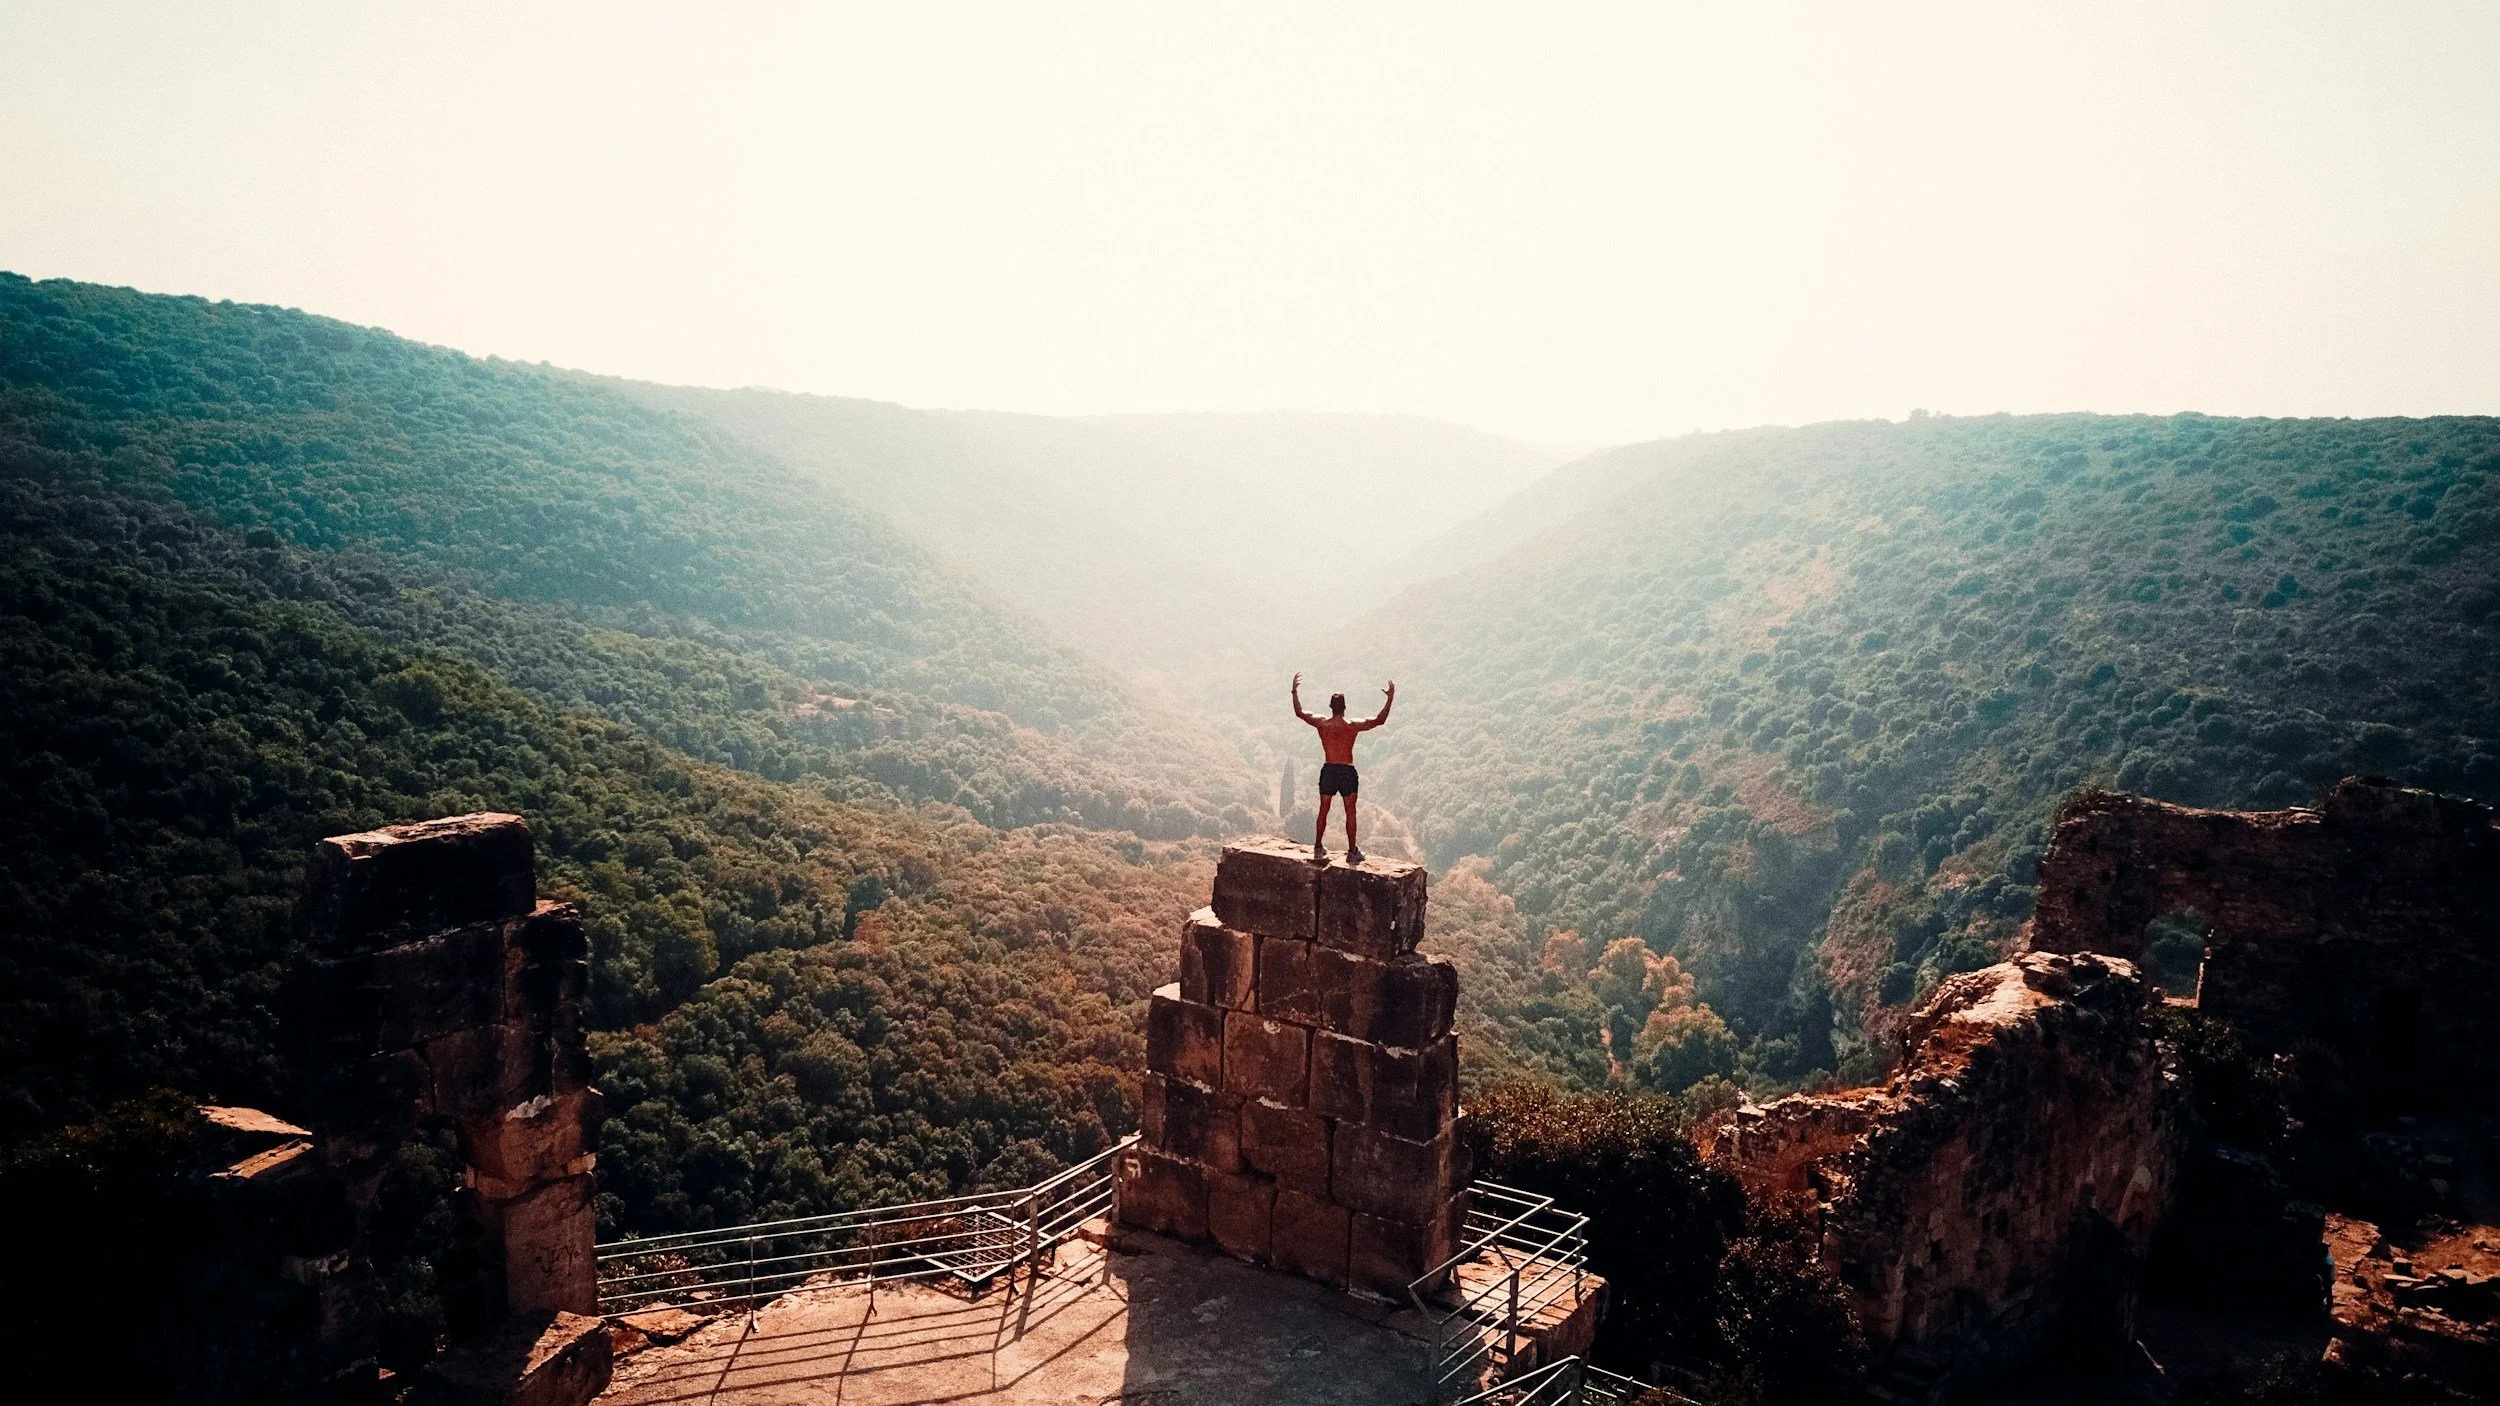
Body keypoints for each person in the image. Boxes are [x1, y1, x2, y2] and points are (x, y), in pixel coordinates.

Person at [1291, 673, 1393, 864]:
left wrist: (1294, 691)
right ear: (1345, 708)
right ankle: (1352, 851)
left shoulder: (1322, 724)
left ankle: (1318, 846)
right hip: (1346, 770)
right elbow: (1379, 720)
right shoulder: (1351, 726)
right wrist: (1390, 698)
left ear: (1330, 707)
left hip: (1329, 769)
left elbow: (1300, 712)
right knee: (1350, 811)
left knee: (1324, 809)